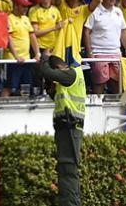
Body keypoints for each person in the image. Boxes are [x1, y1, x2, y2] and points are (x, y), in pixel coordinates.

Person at [34, 53, 87, 206]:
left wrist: (43, 57)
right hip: (66, 128)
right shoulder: (67, 81)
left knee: (68, 169)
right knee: (65, 169)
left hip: (70, 127)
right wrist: (51, 89)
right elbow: (60, 97)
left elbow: (46, 72)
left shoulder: (71, 74)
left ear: (58, 68)